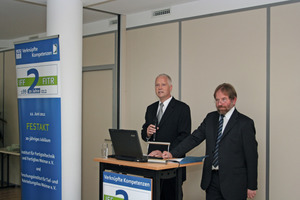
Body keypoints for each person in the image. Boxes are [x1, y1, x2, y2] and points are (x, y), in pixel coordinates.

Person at [162, 83, 258, 200]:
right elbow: (194, 138)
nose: (219, 104)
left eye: (224, 99)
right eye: (217, 100)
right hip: (211, 181)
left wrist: (252, 185)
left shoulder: (245, 123)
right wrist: (173, 153)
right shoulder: (210, 118)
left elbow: (251, 156)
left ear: (234, 100)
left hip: (234, 183)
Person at [141, 73, 191, 200]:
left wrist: (165, 152)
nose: (160, 88)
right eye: (157, 85)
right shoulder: (150, 108)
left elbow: (184, 136)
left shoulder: (182, 108)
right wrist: (147, 133)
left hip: (172, 166)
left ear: (171, 87)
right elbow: (144, 133)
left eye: (163, 84)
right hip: (152, 165)